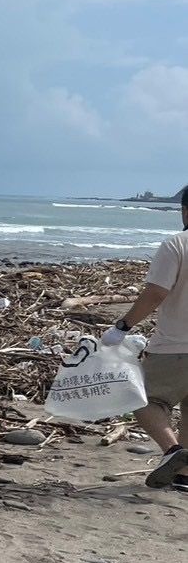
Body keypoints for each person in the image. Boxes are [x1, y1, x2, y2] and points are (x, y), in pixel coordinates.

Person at [101, 185, 188, 490]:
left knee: (142, 397)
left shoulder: (177, 244)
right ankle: (184, 477)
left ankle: (173, 451)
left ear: (185, 210)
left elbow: (156, 293)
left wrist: (123, 326)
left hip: (176, 345)